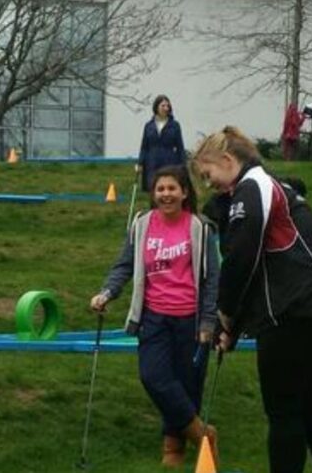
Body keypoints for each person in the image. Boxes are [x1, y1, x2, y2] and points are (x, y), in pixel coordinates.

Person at [193, 126, 312, 473]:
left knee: (283, 409)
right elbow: (257, 269)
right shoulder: (270, 187)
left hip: (294, 310)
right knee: (305, 401)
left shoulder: (253, 187)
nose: (209, 184)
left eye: (208, 174)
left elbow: (241, 257)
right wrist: (232, 329)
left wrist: (223, 312)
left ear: (226, 159)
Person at [89, 165, 219, 468]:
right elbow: (124, 265)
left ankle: (174, 446)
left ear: (185, 192)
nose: (166, 194)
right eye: (160, 189)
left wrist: (208, 322)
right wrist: (106, 293)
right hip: (154, 318)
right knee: (154, 377)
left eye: (172, 188)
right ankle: (202, 435)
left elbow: (212, 278)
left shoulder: (200, 227)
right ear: (153, 193)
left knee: (187, 384)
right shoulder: (142, 224)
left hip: (190, 319)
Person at [136, 94, 186, 192]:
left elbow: (180, 146)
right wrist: (140, 163)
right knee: (153, 187)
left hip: (169, 161)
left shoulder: (175, 125)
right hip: (152, 162)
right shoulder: (148, 126)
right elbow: (144, 146)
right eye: (163, 106)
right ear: (156, 107)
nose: (165, 108)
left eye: (167, 106)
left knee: (167, 186)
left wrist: (183, 165)